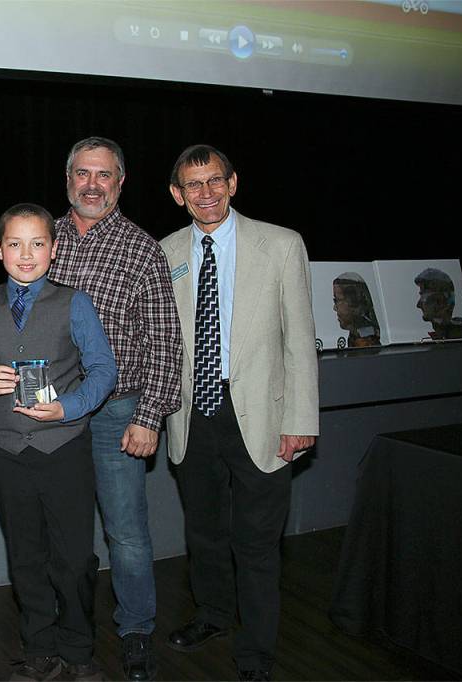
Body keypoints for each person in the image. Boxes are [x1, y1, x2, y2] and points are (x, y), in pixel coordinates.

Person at [159, 144, 318, 681]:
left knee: (255, 542)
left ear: (233, 183)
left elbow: (300, 341)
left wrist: (300, 421)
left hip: (261, 416)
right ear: (178, 195)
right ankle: (213, 614)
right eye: (193, 185)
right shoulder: (167, 251)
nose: (206, 193)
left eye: (215, 181)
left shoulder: (280, 245)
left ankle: (256, 651)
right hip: (192, 415)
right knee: (203, 532)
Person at [0, 203, 117, 682]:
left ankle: (78, 650)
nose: (26, 254)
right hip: (9, 451)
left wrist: (68, 407)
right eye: (15, 244)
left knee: (72, 559)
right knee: (25, 558)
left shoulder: (75, 303)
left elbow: (104, 368)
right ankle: (39, 649)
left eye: (37, 243)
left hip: (64, 448)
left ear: (53, 248)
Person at [47, 136, 182, 681]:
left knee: (126, 533)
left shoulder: (141, 249)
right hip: (53, 413)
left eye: (104, 175)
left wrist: (149, 417)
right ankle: (68, 628)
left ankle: (136, 632)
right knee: (63, 533)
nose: (93, 185)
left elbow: (166, 342)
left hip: (116, 415)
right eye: (83, 173)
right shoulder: (42, 238)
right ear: (69, 180)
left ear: (121, 183)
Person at [414, 268, 462, 340]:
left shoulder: (461, 341)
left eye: (423, 298)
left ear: (440, 302)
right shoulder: (448, 339)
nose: (418, 305)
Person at [332, 272, 382, 347]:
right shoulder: (357, 335)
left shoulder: (366, 343)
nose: (335, 308)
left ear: (352, 302)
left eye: (337, 300)